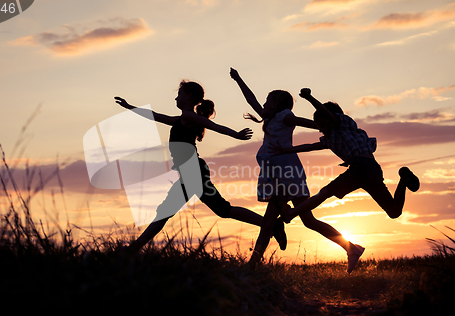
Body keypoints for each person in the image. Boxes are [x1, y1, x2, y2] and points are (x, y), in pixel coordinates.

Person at [114, 80, 287, 252]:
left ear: (189, 96)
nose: (176, 97)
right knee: (219, 210)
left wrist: (235, 134)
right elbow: (155, 116)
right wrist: (130, 107)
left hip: (194, 173)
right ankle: (271, 225)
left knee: (214, 210)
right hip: (191, 173)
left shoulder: (189, 117)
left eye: (179, 94)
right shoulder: (182, 118)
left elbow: (213, 126)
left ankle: (132, 250)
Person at [271, 88, 420, 271]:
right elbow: (310, 146)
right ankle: (403, 180)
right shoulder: (329, 137)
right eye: (318, 126)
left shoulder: (342, 123)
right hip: (373, 170)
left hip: (360, 167)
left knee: (325, 193)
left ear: (330, 118)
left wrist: (310, 97)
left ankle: (291, 214)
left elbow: (327, 114)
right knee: (394, 211)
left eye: (322, 124)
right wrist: (285, 150)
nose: (321, 129)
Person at [230, 69, 364, 272]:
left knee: (272, 223)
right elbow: (251, 100)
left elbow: (307, 123)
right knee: (305, 221)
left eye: (267, 101)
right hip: (277, 174)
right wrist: (238, 79)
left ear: (276, 104)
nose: (263, 104)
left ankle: (250, 267)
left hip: (287, 174)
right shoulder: (270, 119)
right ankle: (351, 248)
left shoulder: (284, 117)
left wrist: (328, 124)